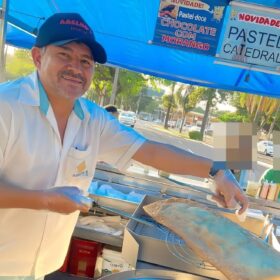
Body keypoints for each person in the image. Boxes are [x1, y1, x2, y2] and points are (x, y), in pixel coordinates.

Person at [0, 12, 248, 280]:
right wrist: (46, 200)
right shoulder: (7, 107)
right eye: (64, 55)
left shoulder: (92, 119)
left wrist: (217, 171)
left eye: (86, 61)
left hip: (41, 267)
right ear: (37, 57)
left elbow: (150, 151)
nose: (76, 68)